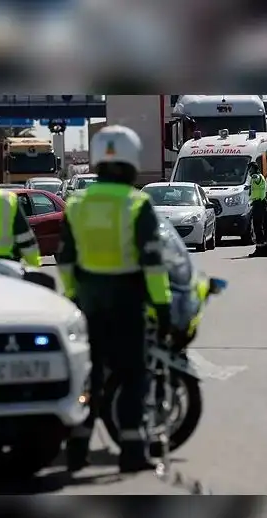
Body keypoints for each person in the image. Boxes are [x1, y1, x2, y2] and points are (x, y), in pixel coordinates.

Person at [56, 125, 173, 474]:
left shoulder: (76, 203)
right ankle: (132, 449)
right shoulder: (138, 204)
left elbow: (65, 258)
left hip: (88, 299)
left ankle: (78, 444)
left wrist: (75, 294)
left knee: (90, 375)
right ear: (131, 162)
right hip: (128, 300)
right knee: (133, 374)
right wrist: (162, 304)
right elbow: (153, 261)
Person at [246, 161, 267, 256]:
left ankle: (260, 249)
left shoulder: (257, 177)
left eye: (250, 169)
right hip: (258, 203)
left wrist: (253, 175)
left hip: (259, 204)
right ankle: (263, 248)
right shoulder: (260, 177)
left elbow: (256, 178)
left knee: (257, 227)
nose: (249, 172)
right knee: (259, 227)